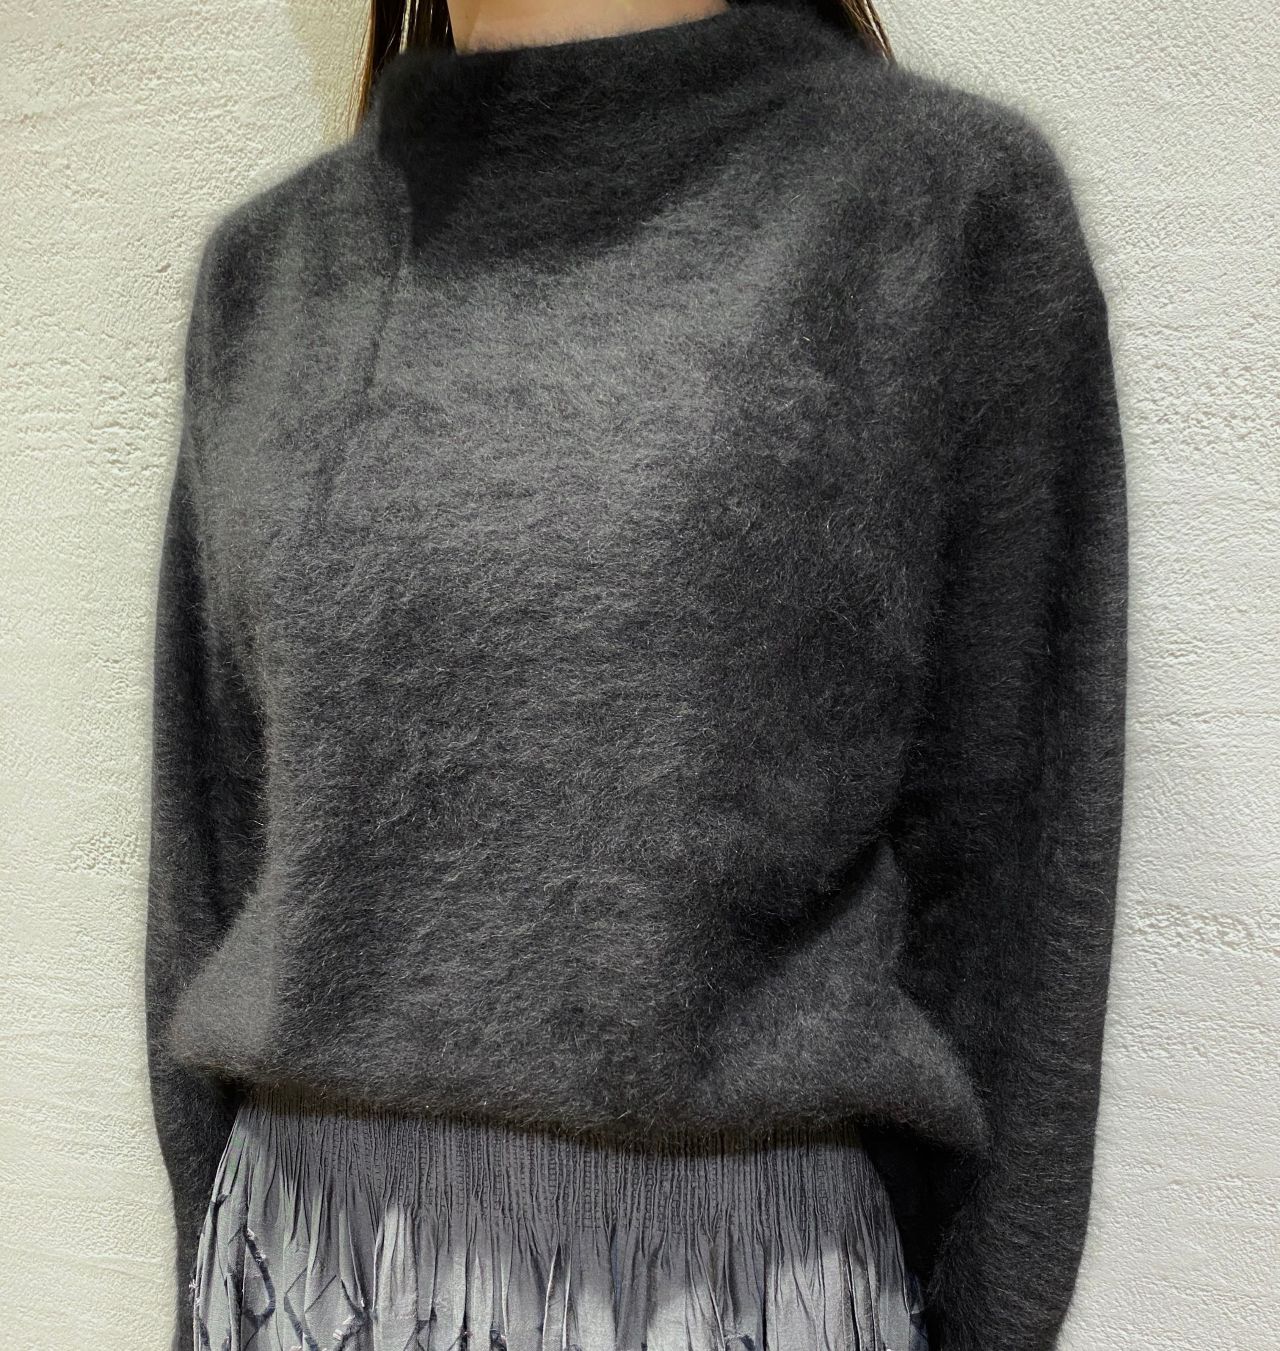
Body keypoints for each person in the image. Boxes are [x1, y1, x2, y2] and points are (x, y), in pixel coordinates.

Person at [143, 0, 1129, 1348]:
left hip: (726, 1291)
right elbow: (205, 861)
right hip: (305, 1275)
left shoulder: (938, 212)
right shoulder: (271, 276)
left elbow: (1014, 880)